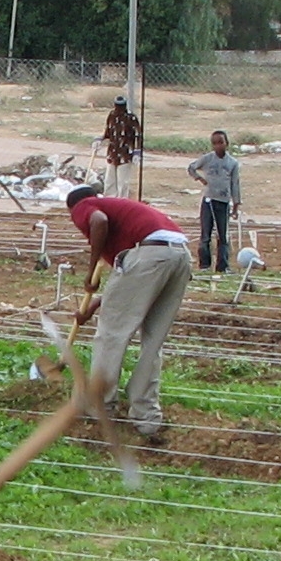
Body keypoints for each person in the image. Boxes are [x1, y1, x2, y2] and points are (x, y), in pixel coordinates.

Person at [66, 183, 194, 440]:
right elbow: (131, 285)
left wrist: (91, 271)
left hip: (148, 255)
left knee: (110, 334)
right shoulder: (124, 214)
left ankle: (100, 405)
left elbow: (98, 221)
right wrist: (93, 306)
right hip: (179, 257)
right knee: (153, 340)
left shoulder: (84, 206)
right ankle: (146, 417)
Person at [188, 130, 242, 273]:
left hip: (223, 202)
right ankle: (204, 265)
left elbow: (235, 184)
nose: (218, 146)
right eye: (215, 143)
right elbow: (191, 168)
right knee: (206, 234)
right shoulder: (207, 159)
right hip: (208, 201)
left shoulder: (232, 163)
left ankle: (222, 266)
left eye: (221, 142)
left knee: (222, 235)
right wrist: (200, 179)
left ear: (227, 143)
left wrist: (236, 205)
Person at [100, 93, 142, 197]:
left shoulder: (131, 118)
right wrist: (99, 139)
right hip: (112, 153)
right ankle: (109, 200)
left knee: (123, 182)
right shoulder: (112, 115)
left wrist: (137, 152)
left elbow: (138, 135)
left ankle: (122, 201)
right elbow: (108, 132)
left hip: (125, 154)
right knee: (110, 181)